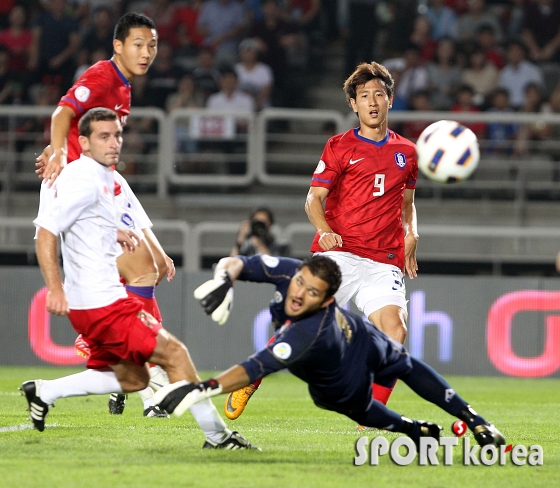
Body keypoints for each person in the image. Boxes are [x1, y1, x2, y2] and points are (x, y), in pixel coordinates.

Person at [24, 107, 258, 451]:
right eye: (104, 136)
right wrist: (55, 289)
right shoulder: (82, 178)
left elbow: (86, 219)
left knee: (134, 378)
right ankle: (219, 438)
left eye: (117, 135)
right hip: (100, 301)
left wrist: (111, 230)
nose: (114, 142)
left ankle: (44, 391)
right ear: (84, 143)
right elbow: (45, 232)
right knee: (176, 354)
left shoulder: (103, 177)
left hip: (96, 301)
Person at [154, 254, 505, 452]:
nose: (299, 292)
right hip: (346, 357)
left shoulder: (308, 332)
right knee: (372, 400)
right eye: (300, 282)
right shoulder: (291, 271)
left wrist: (202, 388)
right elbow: (238, 261)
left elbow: (254, 366)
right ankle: (413, 429)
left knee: (402, 365)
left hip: (352, 353)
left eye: (312, 292)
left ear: (327, 300)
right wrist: (224, 278)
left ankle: (475, 419)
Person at [34, 12, 174, 416]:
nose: (146, 53)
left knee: (142, 269)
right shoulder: (102, 77)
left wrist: (63, 148)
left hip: (98, 185)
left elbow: (76, 128)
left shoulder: (124, 89)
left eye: (152, 46)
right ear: (117, 46)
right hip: (81, 189)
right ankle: (147, 380)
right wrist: (59, 151)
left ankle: (117, 360)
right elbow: (62, 112)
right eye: (137, 44)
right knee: (142, 270)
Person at [304, 61, 418, 408]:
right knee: (306, 330)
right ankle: (254, 378)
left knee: (395, 333)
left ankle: (370, 414)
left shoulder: (408, 153)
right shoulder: (339, 146)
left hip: (384, 259)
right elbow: (313, 199)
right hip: (341, 251)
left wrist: (412, 233)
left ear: (390, 100)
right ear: (353, 104)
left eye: (378, 95)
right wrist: (323, 230)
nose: (372, 101)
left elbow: (408, 204)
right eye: (364, 95)